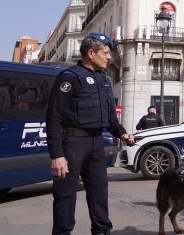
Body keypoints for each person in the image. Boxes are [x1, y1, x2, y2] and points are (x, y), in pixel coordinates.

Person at [46, 32, 135, 235]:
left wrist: (123, 134)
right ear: (91, 53)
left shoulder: (105, 80)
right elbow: (53, 117)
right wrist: (57, 155)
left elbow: (111, 118)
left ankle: (102, 231)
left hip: (96, 144)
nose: (109, 57)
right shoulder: (70, 77)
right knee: (65, 194)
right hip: (73, 143)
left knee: (99, 192)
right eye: (105, 53)